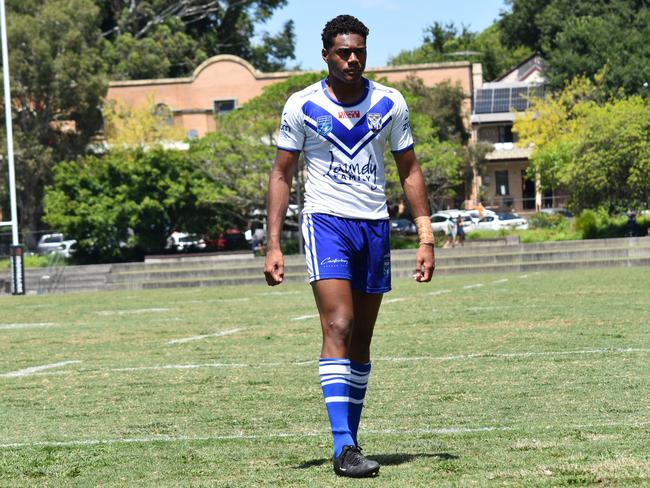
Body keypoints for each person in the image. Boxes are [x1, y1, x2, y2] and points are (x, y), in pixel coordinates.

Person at [263, 15, 435, 478]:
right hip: (325, 223)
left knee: (361, 336)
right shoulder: (302, 105)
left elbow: (410, 169)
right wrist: (273, 243)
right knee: (338, 323)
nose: (352, 58)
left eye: (358, 50)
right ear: (326, 55)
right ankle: (342, 448)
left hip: (375, 227)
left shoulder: (389, 103)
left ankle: (352, 444)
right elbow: (281, 174)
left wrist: (425, 234)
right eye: (343, 52)